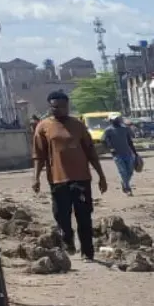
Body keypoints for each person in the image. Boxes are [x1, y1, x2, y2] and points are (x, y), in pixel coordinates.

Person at [32, 89, 108, 261]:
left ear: (67, 106)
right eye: (55, 107)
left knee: (84, 216)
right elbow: (38, 155)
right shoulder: (43, 127)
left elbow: (91, 152)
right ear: (50, 107)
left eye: (62, 106)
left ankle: (88, 253)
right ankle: (68, 241)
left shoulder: (78, 125)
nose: (58, 110)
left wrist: (101, 176)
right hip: (58, 179)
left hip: (81, 178)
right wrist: (35, 178)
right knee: (61, 215)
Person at [102, 115, 139, 194]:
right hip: (117, 155)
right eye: (115, 120)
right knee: (123, 172)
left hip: (128, 153)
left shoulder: (124, 128)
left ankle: (124, 183)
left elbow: (130, 141)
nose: (117, 121)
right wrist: (110, 148)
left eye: (117, 119)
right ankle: (127, 188)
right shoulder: (108, 130)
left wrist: (135, 153)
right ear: (111, 121)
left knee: (130, 171)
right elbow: (104, 141)